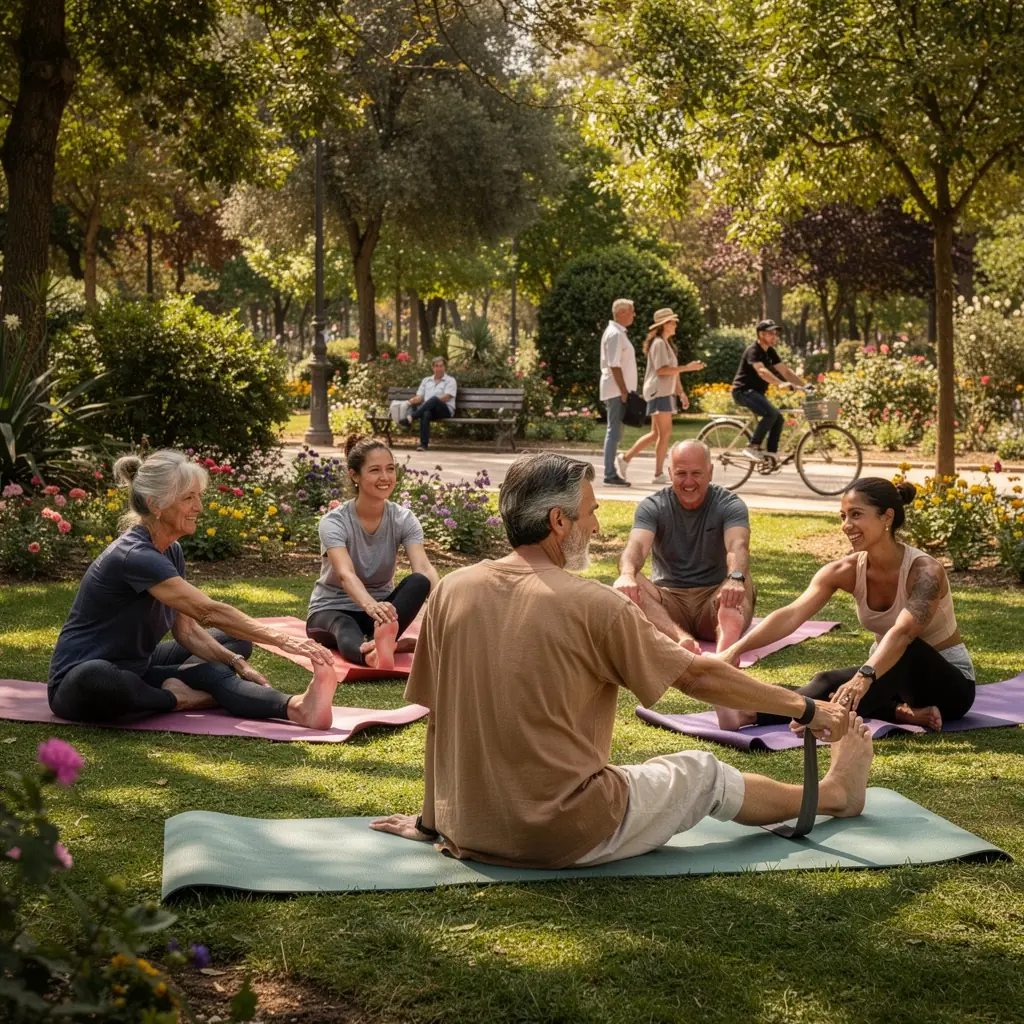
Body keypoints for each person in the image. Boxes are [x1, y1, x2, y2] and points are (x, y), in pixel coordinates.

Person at [370, 452, 872, 869]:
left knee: (628, 771)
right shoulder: (595, 604)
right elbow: (696, 676)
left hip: (470, 827)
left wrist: (431, 821)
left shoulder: (451, 590)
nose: (594, 523)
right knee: (704, 773)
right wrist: (809, 710)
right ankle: (833, 796)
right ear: (557, 521)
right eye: (588, 511)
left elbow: (440, 721)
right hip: (560, 834)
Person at [47, 451, 339, 728]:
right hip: (81, 683)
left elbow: (185, 629)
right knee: (97, 676)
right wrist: (285, 641)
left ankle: (298, 708)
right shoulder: (135, 555)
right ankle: (180, 698)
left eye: (198, 497)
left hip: (138, 666)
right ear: (155, 505)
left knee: (229, 645)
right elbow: (208, 611)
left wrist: (234, 661)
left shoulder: (169, 550)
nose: (199, 507)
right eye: (188, 498)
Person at [714, 477, 976, 733]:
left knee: (902, 653)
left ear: (887, 517)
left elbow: (903, 633)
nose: (846, 525)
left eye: (856, 514)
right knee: (827, 681)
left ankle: (827, 717)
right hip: (885, 675)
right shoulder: (846, 570)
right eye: (843, 516)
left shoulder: (926, 571)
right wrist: (735, 650)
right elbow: (792, 614)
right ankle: (746, 714)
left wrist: (861, 678)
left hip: (949, 686)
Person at [306, 436, 440, 670]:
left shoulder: (403, 518)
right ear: (354, 475)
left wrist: (447, 608)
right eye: (375, 470)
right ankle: (375, 654)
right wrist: (371, 606)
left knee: (419, 581)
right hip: (332, 609)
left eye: (390, 469)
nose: (385, 478)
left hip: (380, 614)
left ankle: (384, 642)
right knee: (346, 626)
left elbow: (424, 568)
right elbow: (346, 574)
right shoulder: (334, 522)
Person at [615, 441, 755, 656]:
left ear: (710, 472)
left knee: (741, 579)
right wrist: (626, 575)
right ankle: (682, 640)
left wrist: (735, 578)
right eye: (681, 473)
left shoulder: (730, 504)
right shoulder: (653, 506)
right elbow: (637, 545)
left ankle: (724, 653)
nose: (689, 482)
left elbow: (737, 545)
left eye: (696, 473)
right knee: (630, 579)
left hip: (715, 597)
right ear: (670, 472)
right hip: (668, 603)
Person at [618, 308, 704, 484]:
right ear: (664, 325)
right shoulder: (658, 344)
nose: (675, 325)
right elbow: (662, 370)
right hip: (659, 391)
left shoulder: (667, 344)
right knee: (664, 432)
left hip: (664, 391)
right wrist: (688, 367)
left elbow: (673, 373)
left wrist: (681, 393)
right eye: (672, 322)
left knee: (656, 434)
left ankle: (625, 459)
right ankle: (657, 474)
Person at [731, 318, 806, 464]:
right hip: (743, 391)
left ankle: (770, 455)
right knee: (771, 413)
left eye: (775, 333)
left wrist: (805, 387)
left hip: (755, 393)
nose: (774, 336)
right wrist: (780, 384)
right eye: (770, 333)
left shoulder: (770, 352)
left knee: (778, 418)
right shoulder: (753, 350)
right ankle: (752, 446)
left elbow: (785, 371)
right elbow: (762, 371)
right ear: (761, 335)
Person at [599, 298, 637, 487]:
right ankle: (609, 473)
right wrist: (623, 390)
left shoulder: (618, 333)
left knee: (616, 432)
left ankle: (611, 471)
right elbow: (614, 365)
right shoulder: (615, 334)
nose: (634, 314)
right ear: (621, 313)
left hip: (618, 390)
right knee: (614, 431)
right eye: (631, 311)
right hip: (616, 390)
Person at [405, 357, 457, 451]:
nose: (439, 368)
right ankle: (423, 445)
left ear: (444, 367)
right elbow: (420, 397)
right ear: (433, 368)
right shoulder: (426, 380)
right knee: (425, 413)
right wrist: (411, 401)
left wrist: (432, 401)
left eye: (441, 366)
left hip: (445, 410)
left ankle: (413, 416)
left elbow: (447, 397)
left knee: (434, 399)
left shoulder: (450, 380)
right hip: (430, 410)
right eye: (436, 366)